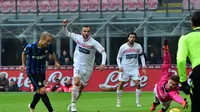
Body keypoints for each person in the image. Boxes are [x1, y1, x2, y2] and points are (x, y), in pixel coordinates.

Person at [62, 19, 107, 112]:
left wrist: (103, 64)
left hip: (88, 68)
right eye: (84, 31)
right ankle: (74, 106)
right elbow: (67, 33)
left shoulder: (93, 42)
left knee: (81, 88)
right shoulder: (77, 37)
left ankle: (72, 103)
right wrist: (64, 26)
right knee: (76, 82)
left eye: (88, 31)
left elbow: (103, 52)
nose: (86, 33)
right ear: (81, 31)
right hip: (78, 64)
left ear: (89, 32)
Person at [19, 32, 60, 112]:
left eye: (49, 41)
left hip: (42, 70)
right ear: (41, 39)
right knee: (42, 90)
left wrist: (56, 62)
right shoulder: (31, 46)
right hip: (32, 71)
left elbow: (52, 53)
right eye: (47, 41)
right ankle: (51, 110)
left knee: (40, 91)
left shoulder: (48, 46)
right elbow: (24, 53)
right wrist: (23, 64)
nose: (48, 43)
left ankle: (32, 106)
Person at [150, 40, 188, 112]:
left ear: (176, 85)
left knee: (165, 107)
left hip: (166, 99)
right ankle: (155, 104)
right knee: (156, 97)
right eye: (170, 82)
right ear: (169, 79)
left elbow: (176, 97)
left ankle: (161, 110)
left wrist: (182, 102)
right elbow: (167, 62)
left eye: (173, 85)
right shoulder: (165, 76)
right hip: (157, 90)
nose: (170, 85)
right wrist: (166, 52)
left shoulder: (173, 92)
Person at [176, 11, 200, 112]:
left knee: (197, 105)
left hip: (199, 71)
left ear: (192, 24)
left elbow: (181, 60)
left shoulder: (185, 38)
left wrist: (183, 81)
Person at [116, 32, 146, 107]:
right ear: (128, 38)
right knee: (120, 84)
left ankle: (138, 102)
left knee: (138, 84)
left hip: (134, 68)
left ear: (135, 38)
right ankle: (118, 101)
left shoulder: (138, 46)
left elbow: (142, 56)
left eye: (133, 37)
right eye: (130, 37)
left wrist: (143, 67)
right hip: (125, 68)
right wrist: (120, 66)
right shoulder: (123, 47)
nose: (132, 38)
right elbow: (118, 57)